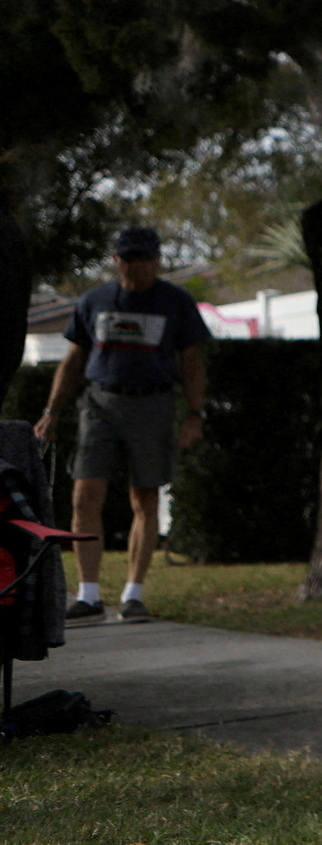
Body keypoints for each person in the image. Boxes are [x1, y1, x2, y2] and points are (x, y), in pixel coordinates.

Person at [33, 226, 209, 623]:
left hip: (153, 405)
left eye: (145, 258)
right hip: (100, 403)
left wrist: (195, 415)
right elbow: (73, 360)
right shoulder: (94, 301)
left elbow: (192, 362)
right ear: (115, 260)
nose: (138, 266)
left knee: (144, 499)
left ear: (158, 260)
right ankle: (89, 595)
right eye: (129, 258)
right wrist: (51, 411)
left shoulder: (175, 302)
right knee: (84, 496)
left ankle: (133, 594)